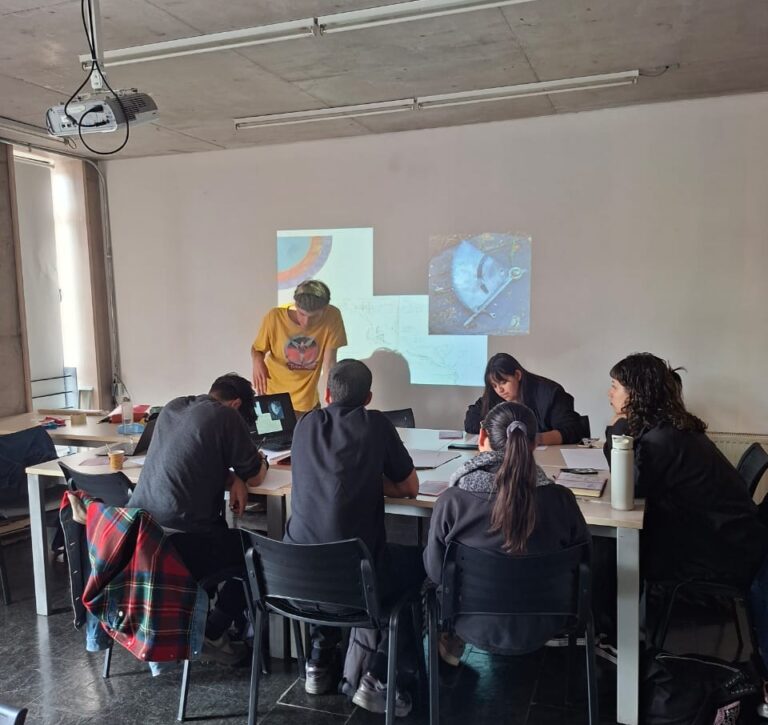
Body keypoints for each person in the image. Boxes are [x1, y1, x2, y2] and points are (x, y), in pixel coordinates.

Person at [285, 359, 423, 716]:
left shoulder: (304, 424)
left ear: (327, 393)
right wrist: (368, 479)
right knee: (420, 569)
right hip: (357, 581)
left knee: (325, 551)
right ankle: (378, 679)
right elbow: (410, 487)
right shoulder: (375, 424)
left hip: (294, 579)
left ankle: (317, 662)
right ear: (369, 397)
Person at [425, 401, 590, 660]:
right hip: (549, 619)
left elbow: (436, 571)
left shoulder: (453, 501)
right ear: (534, 443)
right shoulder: (561, 499)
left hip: (469, 620)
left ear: (482, 437)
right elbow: (584, 562)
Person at [128, 373, 268, 664]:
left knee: (231, 541)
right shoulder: (227, 417)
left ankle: (206, 622)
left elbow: (193, 460)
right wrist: (255, 466)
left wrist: (233, 480)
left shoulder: (173, 407)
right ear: (237, 404)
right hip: (183, 543)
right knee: (261, 552)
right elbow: (256, 473)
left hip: (142, 536)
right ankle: (214, 630)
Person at [604, 353, 768, 587]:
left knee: (611, 551)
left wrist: (617, 428)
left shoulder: (663, 440)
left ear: (636, 394)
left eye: (615, 387)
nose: (609, 393)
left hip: (719, 552)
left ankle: (615, 619)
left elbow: (629, 488)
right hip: (731, 537)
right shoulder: (670, 428)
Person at [251, 279, 347, 416]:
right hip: (273, 399)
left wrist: (332, 400)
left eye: (313, 317)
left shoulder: (332, 316)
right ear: (295, 304)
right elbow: (257, 349)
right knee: (275, 437)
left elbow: (329, 363)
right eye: (301, 314)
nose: (306, 322)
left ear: (325, 309)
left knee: (308, 437)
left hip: (307, 403)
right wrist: (257, 361)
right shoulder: (275, 317)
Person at [464, 353, 586, 444]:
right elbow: (470, 421)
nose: (499, 390)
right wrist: (499, 432)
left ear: (517, 375)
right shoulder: (494, 395)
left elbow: (572, 430)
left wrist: (534, 438)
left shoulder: (550, 393)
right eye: (495, 385)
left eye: (503, 382)